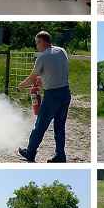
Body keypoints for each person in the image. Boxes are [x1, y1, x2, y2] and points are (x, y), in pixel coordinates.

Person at [17, 31, 71, 163]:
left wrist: (22, 85)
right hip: (65, 93)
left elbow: (31, 79)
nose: (37, 46)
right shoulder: (61, 51)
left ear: (42, 42)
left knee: (40, 125)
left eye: (37, 44)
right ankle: (60, 156)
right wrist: (44, 79)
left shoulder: (43, 57)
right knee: (59, 127)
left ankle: (30, 152)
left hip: (52, 96)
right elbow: (57, 69)